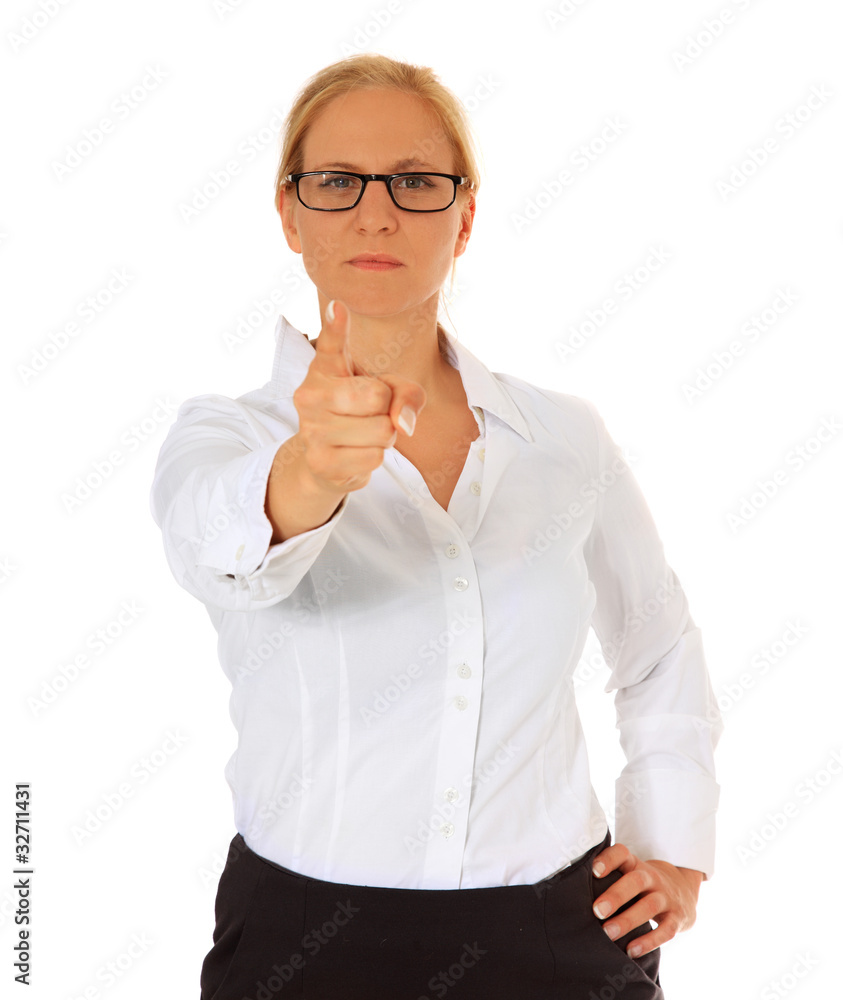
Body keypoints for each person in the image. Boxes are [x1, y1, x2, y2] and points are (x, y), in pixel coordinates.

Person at [150, 53, 723, 1000]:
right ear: (289, 214)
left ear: (465, 216)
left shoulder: (564, 438)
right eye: (337, 181)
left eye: (416, 182)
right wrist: (311, 470)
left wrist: (673, 847)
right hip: (305, 943)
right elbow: (220, 552)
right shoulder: (226, 436)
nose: (376, 214)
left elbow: (656, 646)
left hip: (559, 937)